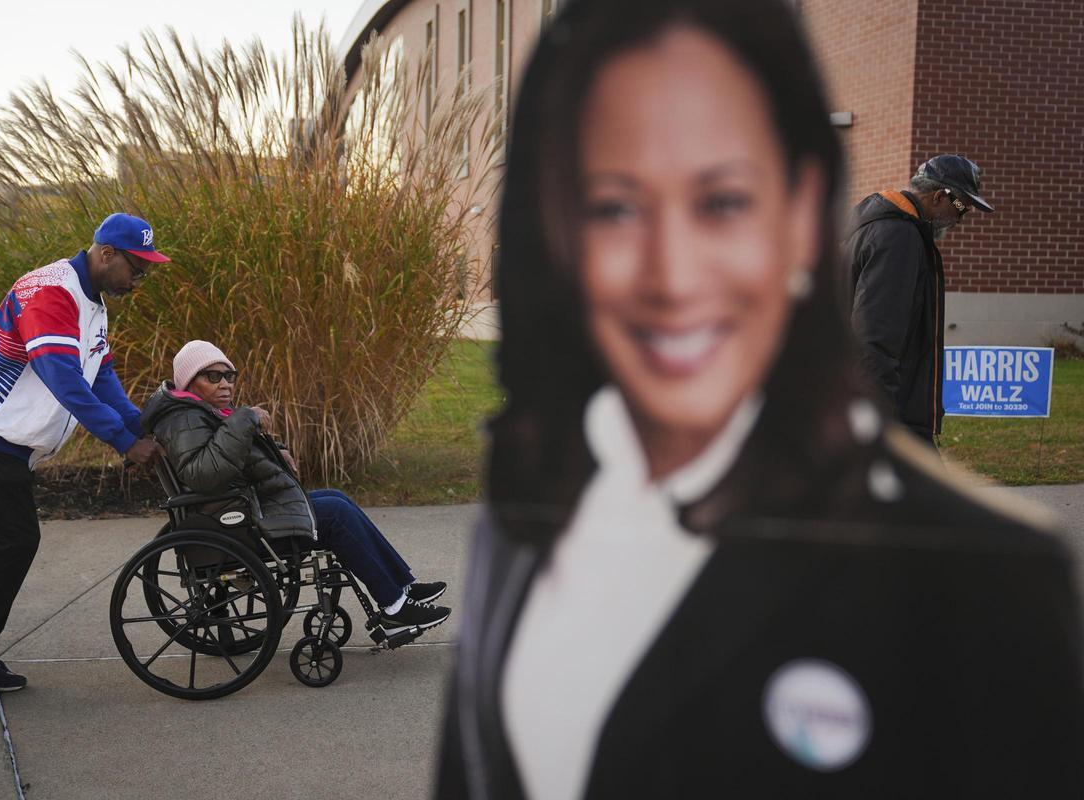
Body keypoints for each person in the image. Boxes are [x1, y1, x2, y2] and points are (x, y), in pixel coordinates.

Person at [435, 1, 1084, 797]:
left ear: (801, 214)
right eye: (614, 205)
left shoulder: (989, 578)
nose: (670, 268)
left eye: (722, 201)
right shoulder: (524, 524)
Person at [0, 212, 168, 697]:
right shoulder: (52, 291)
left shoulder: (91, 297)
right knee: (15, 541)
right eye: (136, 269)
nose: (140, 280)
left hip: (4, 434)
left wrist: (139, 424)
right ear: (106, 254)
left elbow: (100, 375)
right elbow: (64, 380)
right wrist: (124, 442)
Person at [140, 340, 451, 635]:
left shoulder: (200, 412)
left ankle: (402, 586)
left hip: (247, 507)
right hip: (238, 521)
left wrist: (276, 448)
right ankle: (393, 607)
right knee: (336, 514)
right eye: (213, 376)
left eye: (229, 375)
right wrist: (245, 418)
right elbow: (203, 474)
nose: (226, 384)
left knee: (337, 497)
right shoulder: (184, 419)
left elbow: (233, 452)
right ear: (189, 382)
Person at [846, 154, 995, 445]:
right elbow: (875, 334)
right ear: (940, 195)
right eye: (962, 206)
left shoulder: (881, 227)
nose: (961, 218)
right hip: (892, 411)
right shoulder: (898, 237)